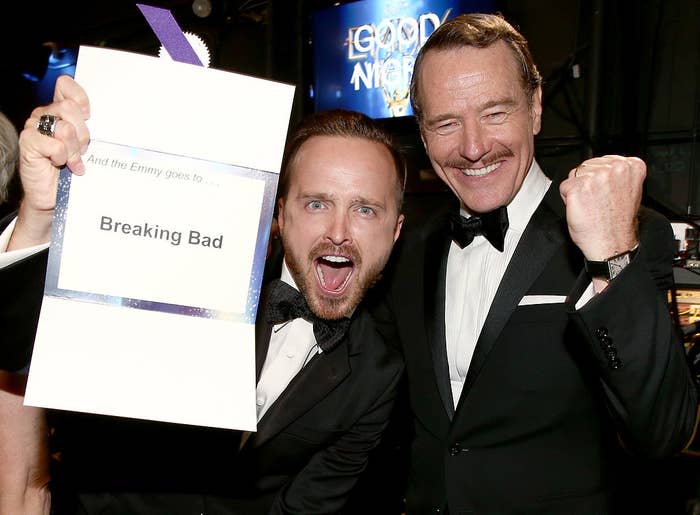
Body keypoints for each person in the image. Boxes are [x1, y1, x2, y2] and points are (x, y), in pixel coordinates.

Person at [0, 76, 405, 514]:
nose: (339, 233)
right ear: (281, 215)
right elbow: (25, 351)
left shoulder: (378, 374)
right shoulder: (191, 273)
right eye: (317, 204)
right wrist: (37, 218)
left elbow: (304, 508)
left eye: (365, 209)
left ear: (396, 230)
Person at [370, 12, 699, 514]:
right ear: (422, 131)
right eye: (446, 123)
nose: (474, 146)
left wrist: (610, 255)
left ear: (536, 108)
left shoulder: (626, 234)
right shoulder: (409, 248)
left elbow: (662, 432)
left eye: (495, 113)